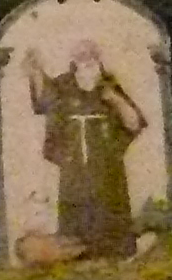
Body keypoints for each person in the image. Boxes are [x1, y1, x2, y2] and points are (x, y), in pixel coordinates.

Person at [28, 43, 147, 258]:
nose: (86, 61)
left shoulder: (108, 83)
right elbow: (44, 101)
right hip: (74, 157)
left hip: (106, 157)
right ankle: (77, 252)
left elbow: (133, 122)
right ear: (74, 61)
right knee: (76, 199)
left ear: (97, 59)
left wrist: (114, 99)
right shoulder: (64, 84)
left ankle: (115, 251)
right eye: (81, 57)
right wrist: (36, 70)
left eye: (90, 56)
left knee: (109, 200)